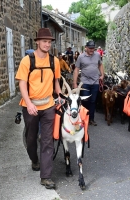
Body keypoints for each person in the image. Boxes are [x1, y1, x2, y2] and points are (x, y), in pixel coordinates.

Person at [15, 28, 62, 189]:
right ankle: (34, 160)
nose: (47, 44)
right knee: (31, 138)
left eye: (49, 42)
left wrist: (60, 95)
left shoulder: (54, 61)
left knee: (48, 141)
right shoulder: (27, 61)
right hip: (30, 106)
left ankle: (46, 177)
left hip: (48, 106)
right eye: (44, 41)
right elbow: (22, 83)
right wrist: (28, 103)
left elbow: (56, 80)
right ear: (37, 42)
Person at [73, 41, 104, 126]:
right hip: (85, 82)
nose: (91, 50)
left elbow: (100, 65)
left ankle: (91, 119)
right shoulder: (81, 57)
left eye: (93, 48)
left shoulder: (97, 55)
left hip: (95, 82)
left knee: (93, 101)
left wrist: (102, 75)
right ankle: (84, 117)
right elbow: (76, 69)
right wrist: (75, 83)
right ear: (86, 47)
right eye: (90, 48)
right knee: (86, 101)